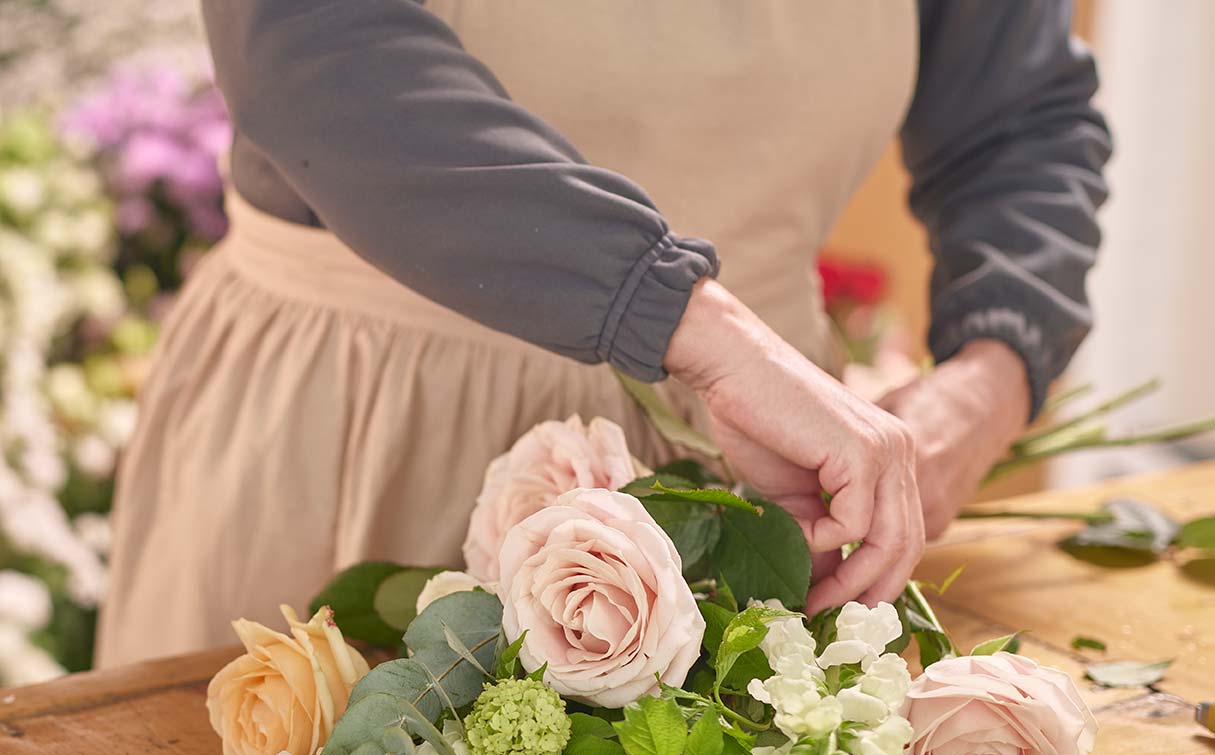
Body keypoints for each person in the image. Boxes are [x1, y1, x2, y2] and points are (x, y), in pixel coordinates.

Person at [96, 0, 1110, 667]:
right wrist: (689, 322)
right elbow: (315, 42)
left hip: (761, 467)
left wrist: (979, 390)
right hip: (371, 432)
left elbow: (1019, 121)